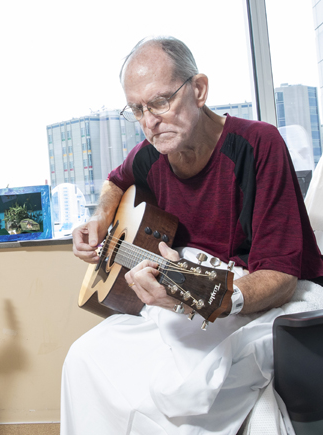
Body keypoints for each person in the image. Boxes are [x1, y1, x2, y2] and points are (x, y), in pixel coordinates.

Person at [61, 36, 323, 434]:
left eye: (161, 102)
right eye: (137, 109)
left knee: (186, 395)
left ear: (198, 90)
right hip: (185, 298)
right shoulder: (151, 153)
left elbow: (282, 276)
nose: (149, 122)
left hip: (260, 299)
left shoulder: (258, 145)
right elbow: (116, 181)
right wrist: (99, 222)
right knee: (83, 359)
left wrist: (209, 299)